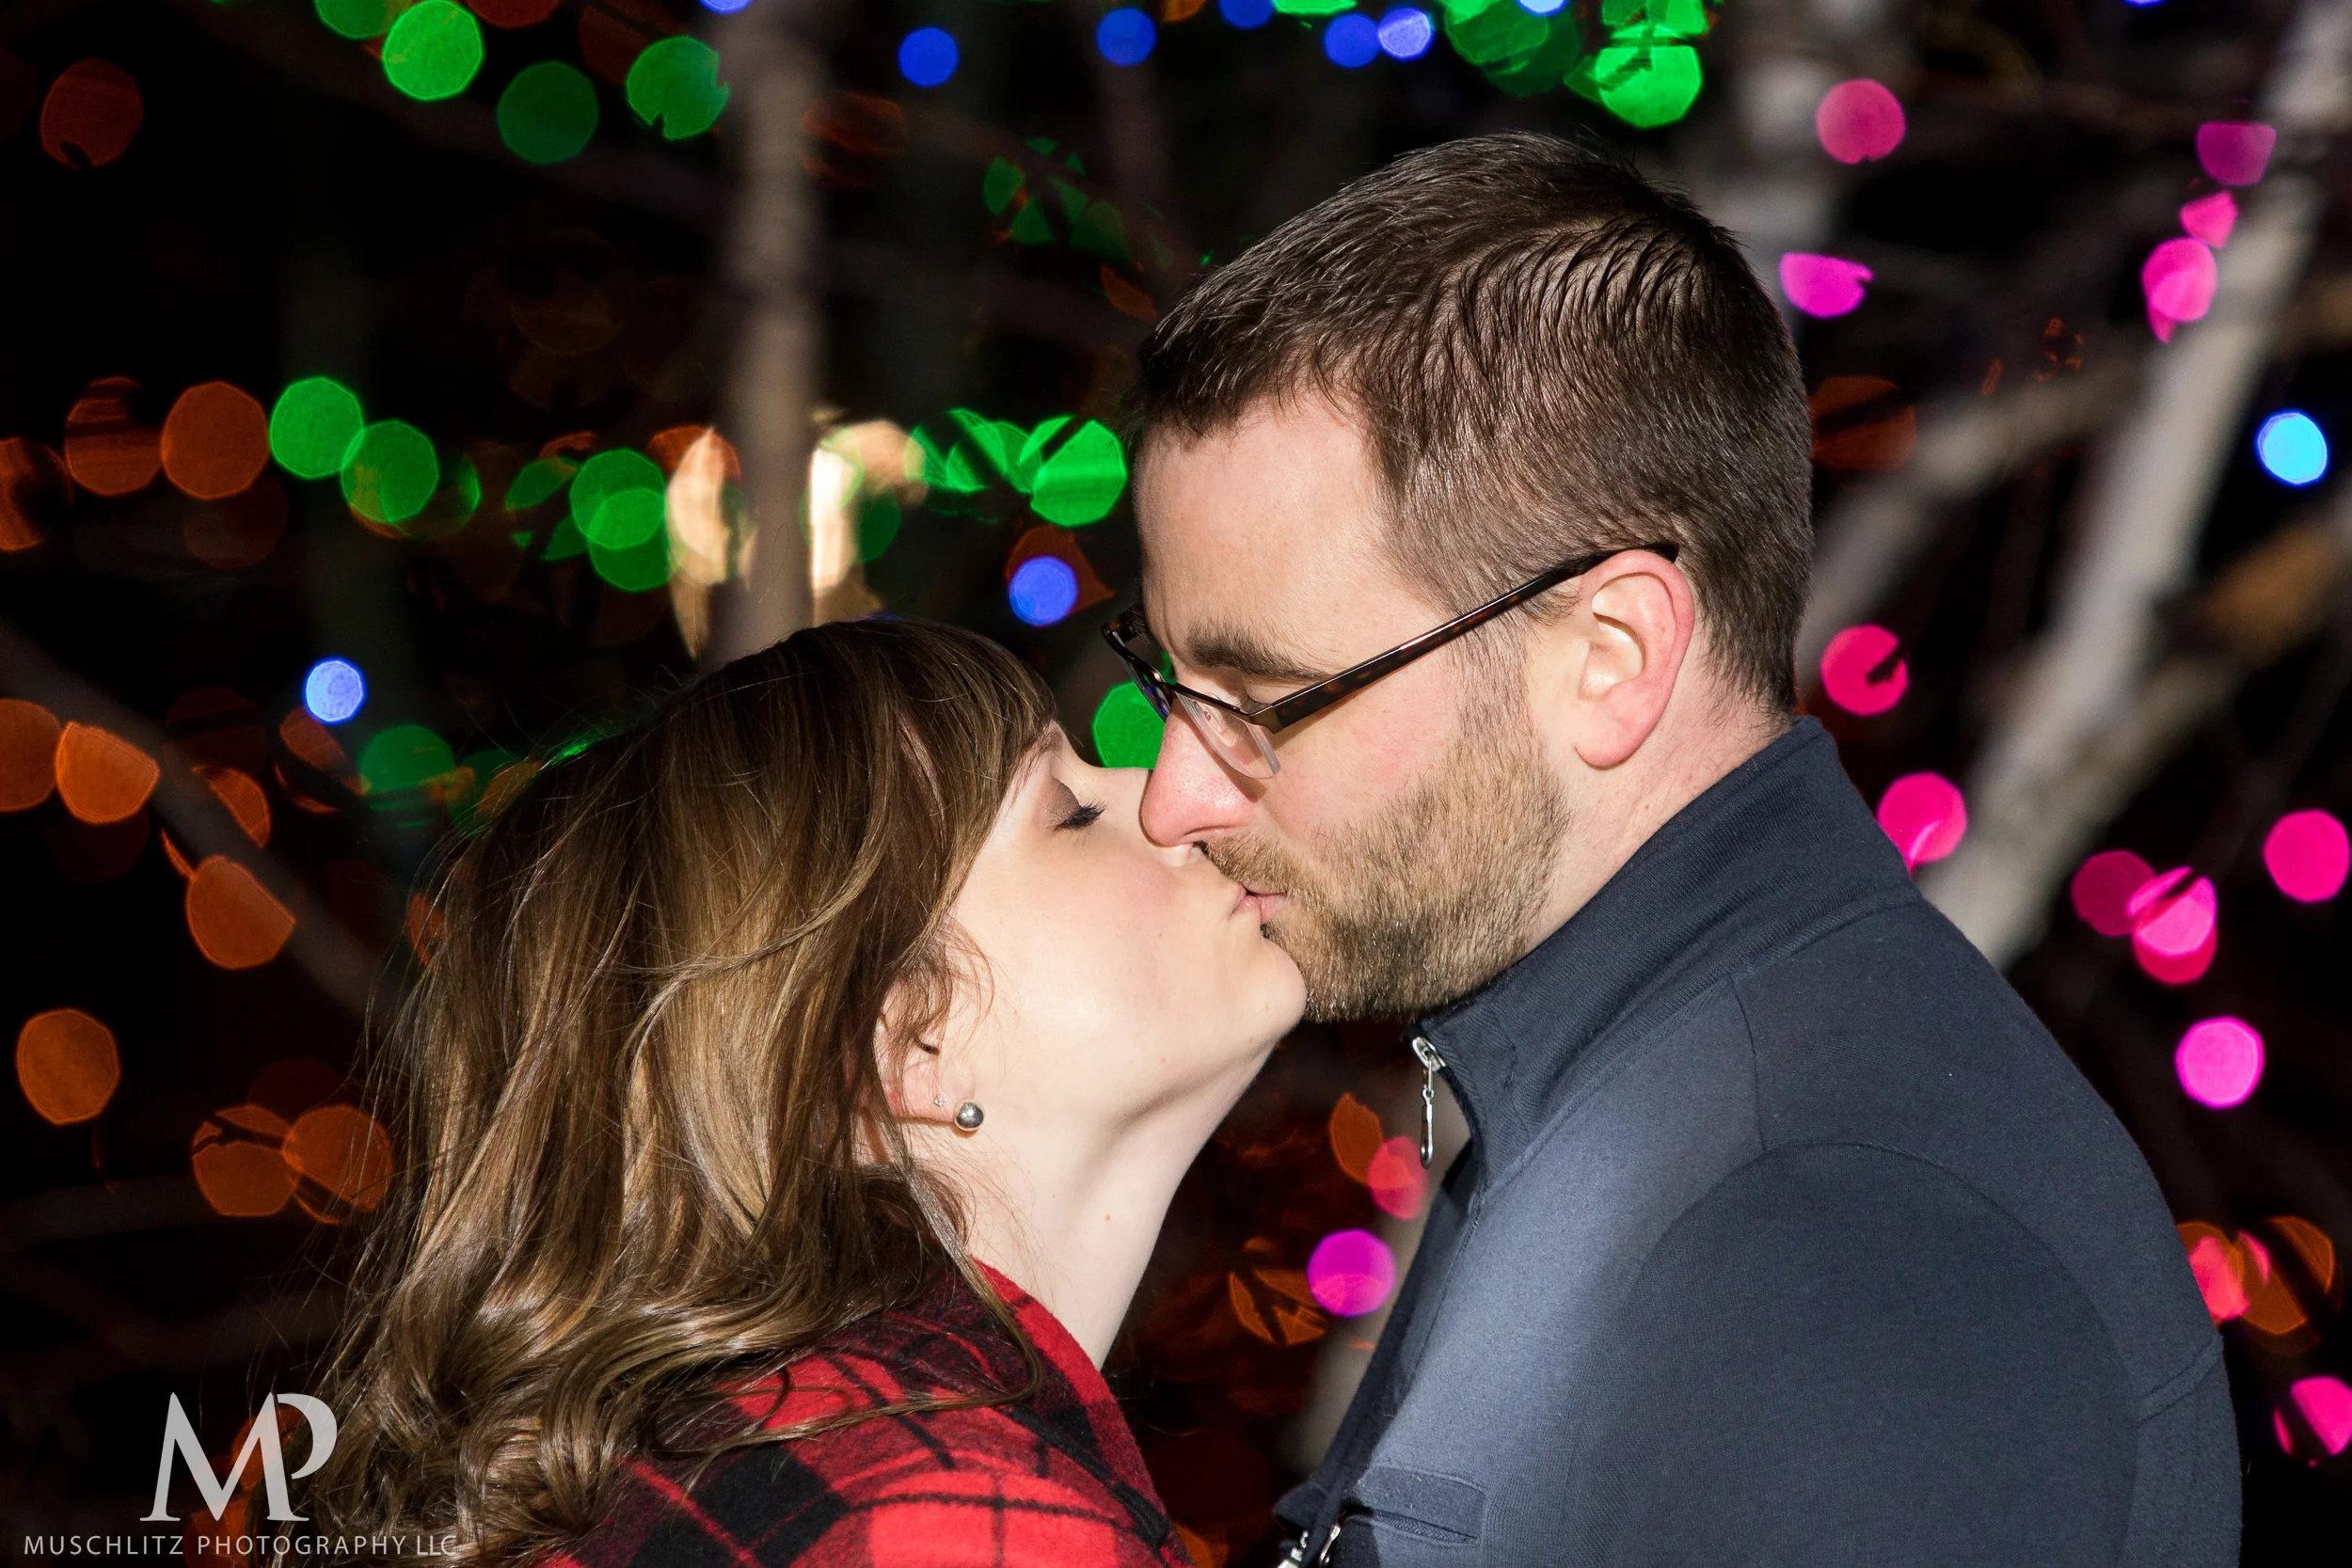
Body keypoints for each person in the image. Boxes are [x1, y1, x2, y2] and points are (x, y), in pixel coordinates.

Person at [1116, 132, 2237, 1566]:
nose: (1172, 796)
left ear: (1613, 654)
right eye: (1168, 689)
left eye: (1266, 701)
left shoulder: (1832, 1246)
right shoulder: (1639, 1110)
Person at [299, 619, 1304, 1566]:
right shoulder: (950, 1523)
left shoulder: (746, 1471)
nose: (1163, 790)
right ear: (905, 1040)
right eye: (1068, 811)